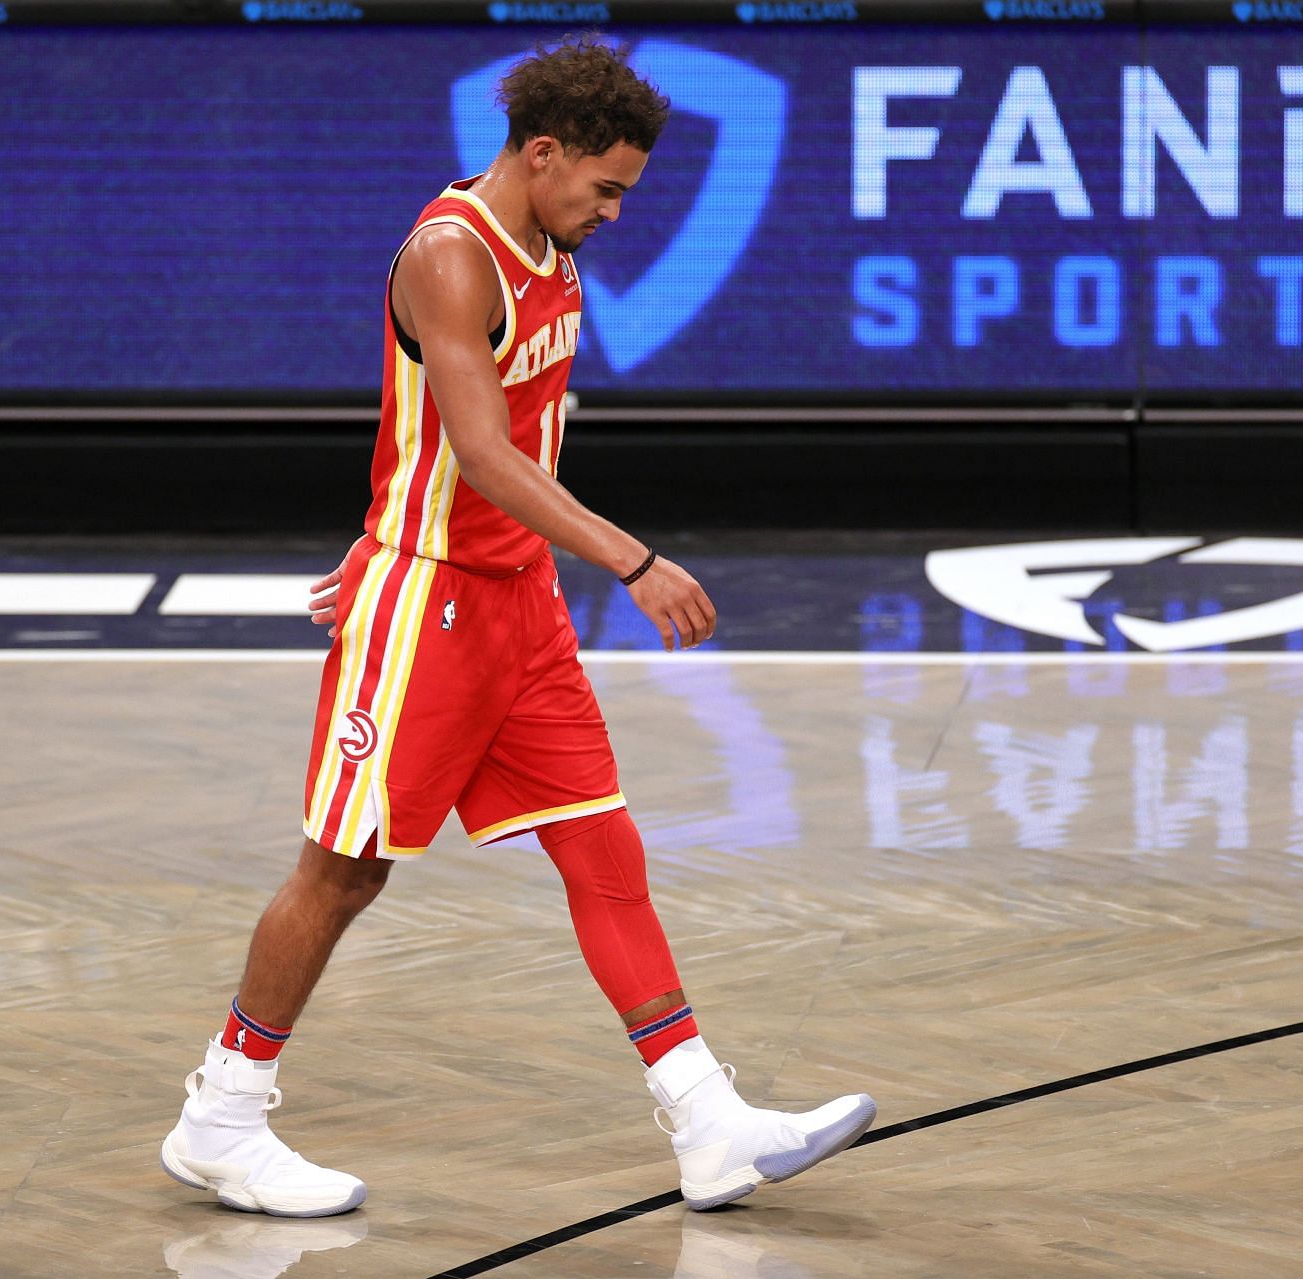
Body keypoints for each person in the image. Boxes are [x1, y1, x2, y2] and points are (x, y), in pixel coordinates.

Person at [161, 34, 875, 1219]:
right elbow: (484, 454)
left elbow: (462, 432)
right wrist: (631, 560)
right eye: (606, 186)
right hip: (429, 607)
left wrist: (396, 510)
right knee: (342, 872)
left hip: (517, 606)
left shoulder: (554, 239)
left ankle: (709, 1122)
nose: (616, 211)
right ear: (542, 154)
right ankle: (220, 1118)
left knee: (604, 846)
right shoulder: (452, 255)